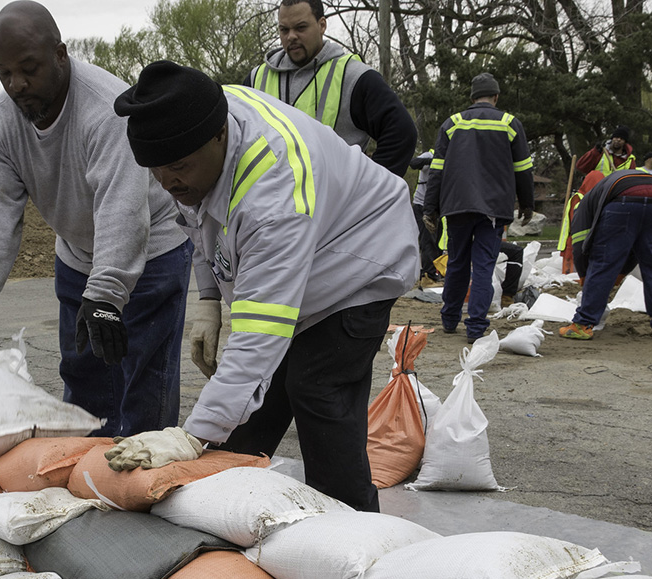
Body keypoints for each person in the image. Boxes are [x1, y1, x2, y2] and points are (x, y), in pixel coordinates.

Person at [108, 61, 416, 512]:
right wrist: (210, 300)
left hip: (361, 256)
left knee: (315, 388)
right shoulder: (199, 122)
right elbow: (199, 222)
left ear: (218, 136)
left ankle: (353, 530)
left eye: (177, 168)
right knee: (250, 411)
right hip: (306, 249)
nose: (168, 181)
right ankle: (230, 516)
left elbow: (258, 336)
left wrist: (192, 435)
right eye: (156, 172)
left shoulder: (274, 193)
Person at [0, 1, 192, 437]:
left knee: (143, 382)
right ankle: (88, 479)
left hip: (151, 251)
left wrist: (107, 295)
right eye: (4, 72)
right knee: (85, 380)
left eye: (29, 68)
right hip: (76, 255)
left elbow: (122, 208)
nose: (17, 84)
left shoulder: (106, 109)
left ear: (60, 54)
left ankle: (145, 481)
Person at [422, 72, 534, 342]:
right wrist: (527, 204)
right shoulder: (510, 123)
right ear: (495, 97)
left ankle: (449, 319)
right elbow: (523, 170)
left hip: (457, 206)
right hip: (493, 209)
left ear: (472, 98)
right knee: (483, 265)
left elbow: (436, 170)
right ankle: (475, 328)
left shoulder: (452, 124)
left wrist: (430, 208)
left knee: (457, 262)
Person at [245, 0, 416, 175]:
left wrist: (370, 193)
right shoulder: (256, 78)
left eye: (300, 28)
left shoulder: (353, 76)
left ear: (322, 25)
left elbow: (402, 134)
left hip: (332, 201)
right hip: (271, 200)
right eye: (284, 30)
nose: (291, 36)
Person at [559, 168, 652, 341]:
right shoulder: (609, 186)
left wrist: (584, 275)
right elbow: (635, 247)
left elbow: (579, 246)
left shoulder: (584, 204)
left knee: (604, 263)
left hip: (624, 200)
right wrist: (620, 273)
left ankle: (583, 325)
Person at [408, 149, 441, 284]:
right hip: (422, 206)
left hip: (436, 207)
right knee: (427, 240)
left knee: (435, 241)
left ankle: (431, 271)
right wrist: (432, 161)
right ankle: (428, 274)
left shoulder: (450, 158)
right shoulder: (430, 155)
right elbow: (413, 163)